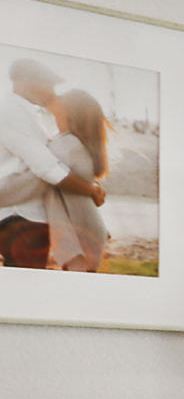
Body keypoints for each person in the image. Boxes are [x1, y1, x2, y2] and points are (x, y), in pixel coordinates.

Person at [0, 58, 104, 269]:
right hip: (22, 219)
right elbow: (48, 170)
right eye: (49, 83)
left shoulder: (32, 115)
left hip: (23, 219)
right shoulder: (12, 112)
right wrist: (91, 190)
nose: (53, 91)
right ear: (26, 81)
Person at [43, 88, 111, 270]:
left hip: (77, 233)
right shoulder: (77, 144)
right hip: (87, 228)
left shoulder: (67, 144)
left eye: (59, 109)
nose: (54, 114)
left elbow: (40, 166)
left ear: (69, 114)